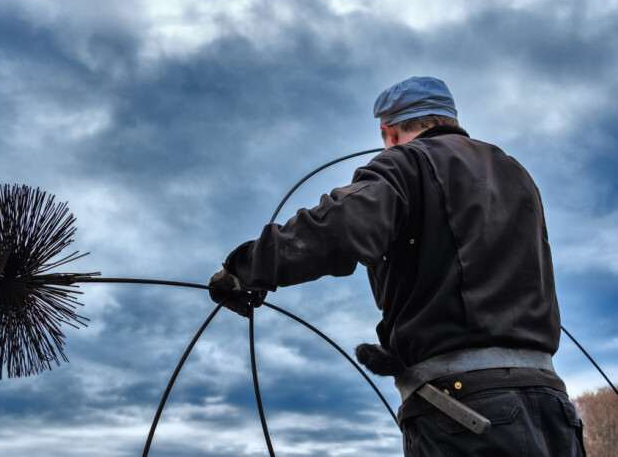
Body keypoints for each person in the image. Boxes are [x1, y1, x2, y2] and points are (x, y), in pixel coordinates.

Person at [209, 76, 586, 456]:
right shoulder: (516, 173)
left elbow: (338, 228)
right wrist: (402, 353)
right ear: (449, 118)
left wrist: (243, 269)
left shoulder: (405, 162)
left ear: (388, 131)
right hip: (554, 411)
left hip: (468, 415)